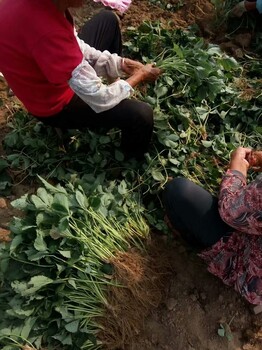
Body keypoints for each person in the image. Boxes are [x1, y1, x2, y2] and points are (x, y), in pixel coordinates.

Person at [0, 0, 162, 159]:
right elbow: (100, 97)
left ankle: (115, 88)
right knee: (141, 114)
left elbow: (74, 46)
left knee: (108, 20)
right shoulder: (49, 33)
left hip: (44, 70)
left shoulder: (44, 7)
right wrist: (139, 76)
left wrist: (119, 64)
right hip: (54, 105)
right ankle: (131, 161)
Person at [163, 147, 262, 307]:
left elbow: (230, 211)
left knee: (178, 191)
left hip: (249, 267)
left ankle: (192, 241)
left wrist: (237, 169)